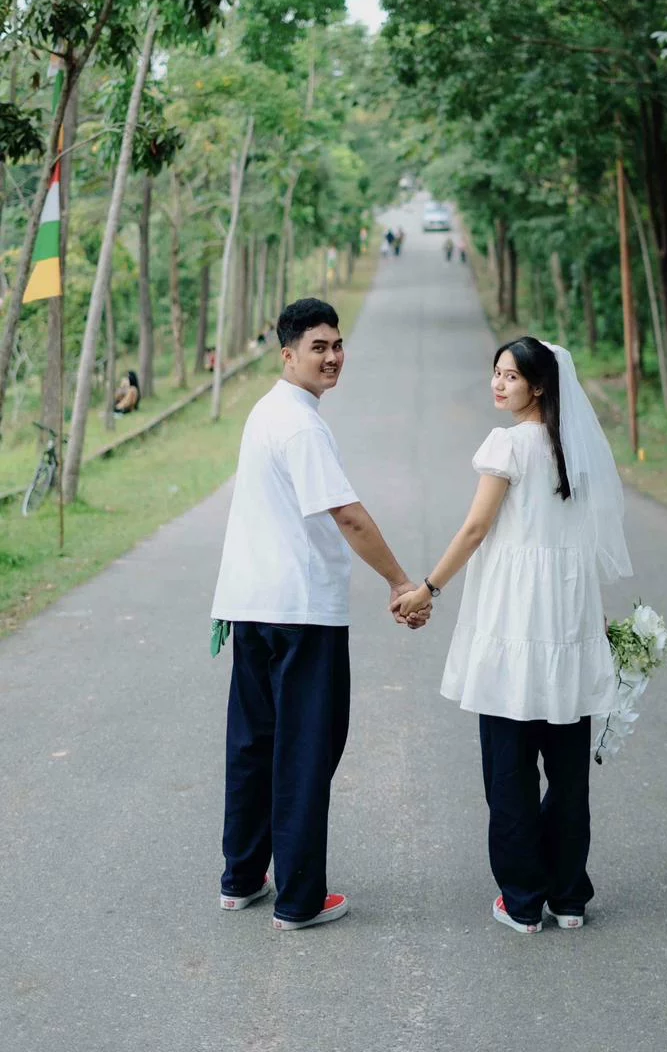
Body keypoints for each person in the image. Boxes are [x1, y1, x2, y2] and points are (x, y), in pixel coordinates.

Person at [393, 337, 632, 935]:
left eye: (511, 376)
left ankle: (523, 901)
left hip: (514, 622)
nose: (498, 384)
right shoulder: (573, 449)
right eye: (496, 373)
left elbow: (476, 528)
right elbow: (581, 541)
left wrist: (429, 588)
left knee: (509, 769)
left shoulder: (509, 444)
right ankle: (569, 897)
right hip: (565, 621)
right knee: (568, 771)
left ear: (540, 385)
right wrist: (591, 617)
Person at [211, 298, 430, 933]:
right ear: (288, 355)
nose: (333, 357)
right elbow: (349, 516)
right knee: (304, 750)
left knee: (254, 744)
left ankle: (241, 878)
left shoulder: (267, 410)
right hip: (301, 612)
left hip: (253, 604)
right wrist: (401, 582)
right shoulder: (301, 426)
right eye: (318, 348)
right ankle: (300, 899)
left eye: (337, 345)